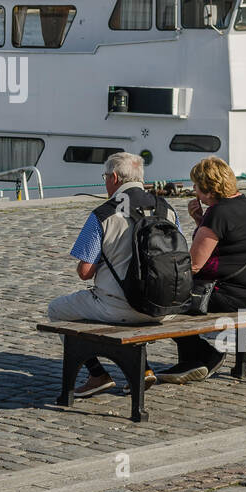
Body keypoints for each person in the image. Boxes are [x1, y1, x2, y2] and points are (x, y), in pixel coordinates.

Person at [47, 152, 180, 398]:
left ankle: (97, 374)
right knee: (137, 295)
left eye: (106, 177)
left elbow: (85, 273)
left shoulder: (102, 214)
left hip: (119, 308)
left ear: (115, 178)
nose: (105, 181)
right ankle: (144, 370)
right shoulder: (167, 209)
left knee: (57, 310)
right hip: (165, 307)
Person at [158, 156, 246, 385]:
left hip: (227, 294)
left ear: (209, 189)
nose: (194, 192)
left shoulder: (218, 213)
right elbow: (226, 246)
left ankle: (206, 355)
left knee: (164, 300)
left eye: (196, 187)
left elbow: (196, 263)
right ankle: (192, 359)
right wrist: (200, 219)